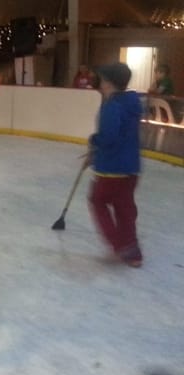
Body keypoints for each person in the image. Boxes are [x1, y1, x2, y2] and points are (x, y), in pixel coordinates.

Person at [87, 62, 143, 268]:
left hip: (111, 169)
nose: (99, 83)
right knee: (124, 208)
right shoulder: (132, 102)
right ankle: (133, 252)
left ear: (109, 83)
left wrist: (94, 141)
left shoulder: (112, 106)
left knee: (97, 200)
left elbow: (109, 138)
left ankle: (121, 245)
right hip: (131, 169)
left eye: (101, 79)